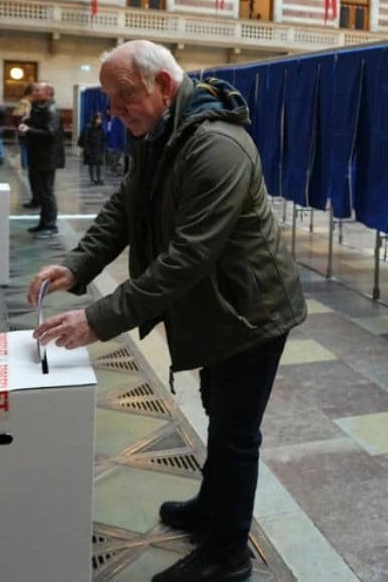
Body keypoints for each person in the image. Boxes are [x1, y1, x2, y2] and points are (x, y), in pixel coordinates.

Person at [28, 40, 305, 582]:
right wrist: (79, 265)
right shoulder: (159, 135)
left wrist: (97, 318)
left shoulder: (218, 146)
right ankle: (211, 507)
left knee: (235, 432)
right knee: (217, 410)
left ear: (163, 85)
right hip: (217, 308)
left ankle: (228, 555)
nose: (115, 110)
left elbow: (186, 260)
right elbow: (126, 207)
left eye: (123, 95)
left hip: (252, 312)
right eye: (109, 99)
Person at [19, 82, 64, 237]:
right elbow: (39, 125)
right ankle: (43, 223)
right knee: (40, 192)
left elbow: (50, 133)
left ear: (48, 93)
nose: (34, 92)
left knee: (46, 192)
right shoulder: (39, 108)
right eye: (34, 90)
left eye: (38, 90)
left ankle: (51, 225)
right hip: (38, 156)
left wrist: (29, 130)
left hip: (47, 158)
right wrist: (27, 123)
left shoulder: (51, 110)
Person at [13, 82, 37, 207]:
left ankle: (26, 165)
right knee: (25, 148)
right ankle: (25, 166)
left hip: (27, 130)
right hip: (25, 130)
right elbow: (19, 115)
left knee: (26, 148)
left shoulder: (28, 101)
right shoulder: (25, 102)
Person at [79, 111, 107, 185]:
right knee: (91, 165)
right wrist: (87, 150)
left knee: (99, 165)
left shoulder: (102, 129)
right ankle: (92, 180)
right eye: (98, 118)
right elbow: (85, 140)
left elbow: (104, 140)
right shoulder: (88, 127)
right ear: (94, 119)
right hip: (91, 149)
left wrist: (103, 150)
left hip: (99, 149)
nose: (99, 120)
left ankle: (98, 179)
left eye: (100, 119)